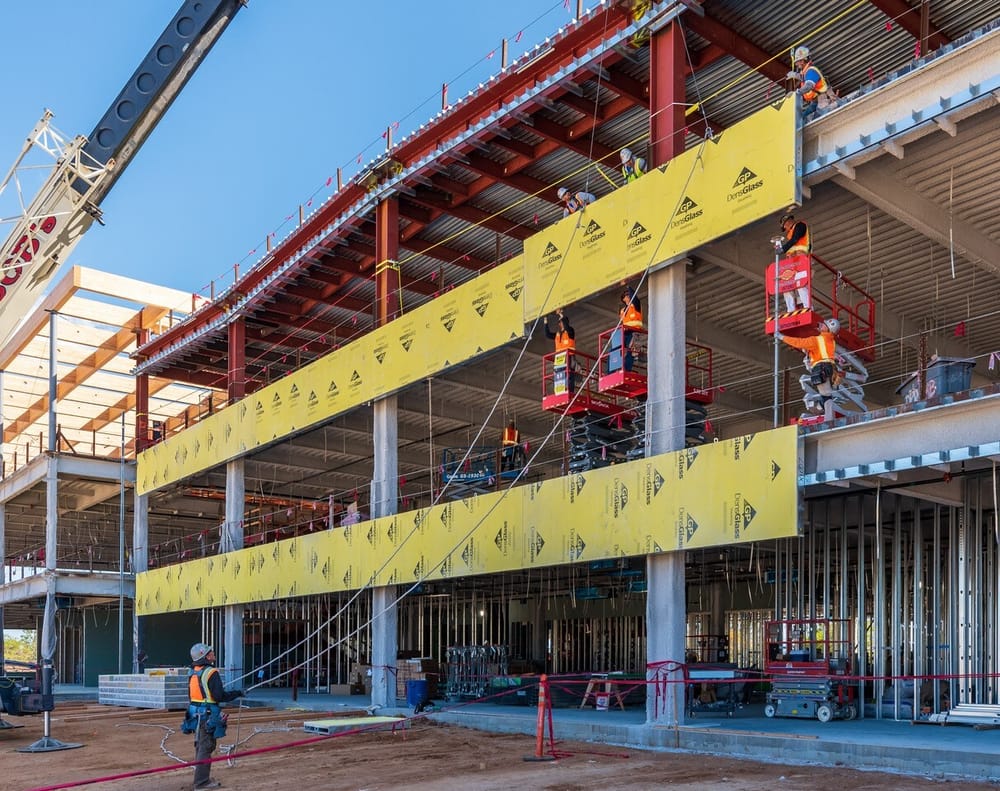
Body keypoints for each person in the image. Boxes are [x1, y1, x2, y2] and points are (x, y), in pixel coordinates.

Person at [182, 643, 244, 790]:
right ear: (206, 656)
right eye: (210, 652)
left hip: (195, 713)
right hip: (207, 714)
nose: (213, 653)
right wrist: (238, 693)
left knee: (200, 745)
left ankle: (201, 779)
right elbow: (219, 696)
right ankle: (202, 783)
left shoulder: (192, 672)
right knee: (206, 746)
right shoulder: (211, 672)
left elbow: (192, 695)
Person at [776, 318, 840, 420]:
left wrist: (781, 336)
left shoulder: (817, 340)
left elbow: (798, 342)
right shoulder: (831, 340)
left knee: (826, 395)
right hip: (830, 368)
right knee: (826, 393)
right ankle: (822, 410)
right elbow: (822, 352)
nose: (822, 325)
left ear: (828, 329)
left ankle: (828, 418)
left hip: (821, 367)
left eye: (825, 325)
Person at [775, 212, 811, 311]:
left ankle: (807, 307)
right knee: (787, 286)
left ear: (787, 222)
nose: (785, 228)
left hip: (801, 261)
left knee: (801, 284)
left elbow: (795, 239)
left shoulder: (800, 226)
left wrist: (783, 249)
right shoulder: (790, 235)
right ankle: (790, 310)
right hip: (792, 263)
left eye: (785, 226)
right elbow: (792, 244)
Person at [787, 46, 834, 121]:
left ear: (803, 61)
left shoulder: (811, 71)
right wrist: (795, 75)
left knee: (818, 120)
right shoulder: (806, 72)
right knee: (800, 118)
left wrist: (796, 93)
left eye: (797, 61)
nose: (796, 64)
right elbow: (804, 77)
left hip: (823, 100)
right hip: (815, 102)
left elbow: (809, 86)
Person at [544, 308, 576, 392]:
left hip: (569, 357)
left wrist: (560, 314)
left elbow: (566, 325)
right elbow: (547, 334)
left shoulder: (570, 332)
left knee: (568, 375)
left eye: (561, 321)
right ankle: (560, 391)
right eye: (559, 322)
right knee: (559, 376)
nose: (559, 323)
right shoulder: (558, 335)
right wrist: (545, 321)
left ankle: (569, 391)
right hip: (559, 359)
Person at [619, 285, 643, 371]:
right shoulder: (622, 310)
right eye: (627, 295)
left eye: (629, 294)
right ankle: (620, 368)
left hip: (634, 332)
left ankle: (627, 369)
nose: (629, 295)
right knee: (621, 351)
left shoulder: (635, 305)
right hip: (625, 333)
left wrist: (629, 287)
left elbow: (635, 298)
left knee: (630, 351)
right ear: (623, 299)